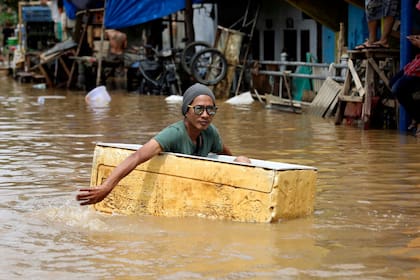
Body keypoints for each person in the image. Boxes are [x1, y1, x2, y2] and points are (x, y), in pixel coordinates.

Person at [76, 83, 251, 206]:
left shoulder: (210, 132)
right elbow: (137, 157)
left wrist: (239, 163)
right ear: (186, 110)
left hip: (194, 190)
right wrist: (107, 187)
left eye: (210, 109)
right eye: (199, 109)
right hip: (171, 191)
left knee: (243, 161)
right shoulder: (173, 134)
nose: (205, 115)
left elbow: (227, 156)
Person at [390, 35, 420, 137]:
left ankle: (418, 118)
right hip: (414, 64)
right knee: (393, 83)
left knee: (397, 89)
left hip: (417, 71)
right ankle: (416, 117)